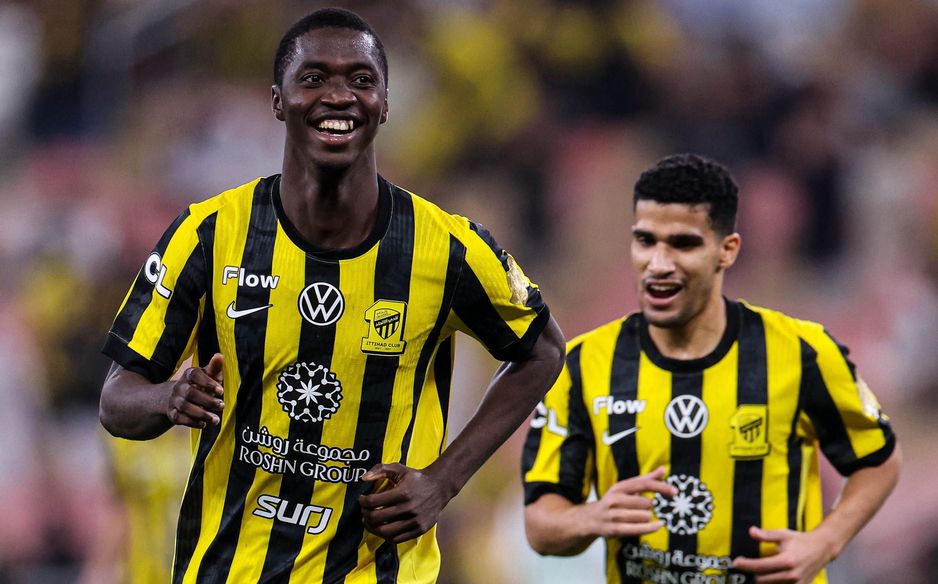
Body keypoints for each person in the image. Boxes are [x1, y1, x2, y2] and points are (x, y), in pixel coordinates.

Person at [98, 8, 564, 583]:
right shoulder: (210, 234)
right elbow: (117, 399)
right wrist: (167, 399)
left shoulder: (445, 247)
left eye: (362, 80)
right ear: (277, 99)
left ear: (386, 103)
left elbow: (542, 349)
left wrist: (444, 481)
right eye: (314, 77)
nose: (339, 95)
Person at [521, 154, 899, 584]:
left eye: (683, 244)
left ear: (726, 250)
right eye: (645, 241)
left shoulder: (802, 352)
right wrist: (591, 517)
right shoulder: (583, 365)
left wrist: (826, 541)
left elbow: (879, 460)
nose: (658, 264)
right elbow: (540, 523)